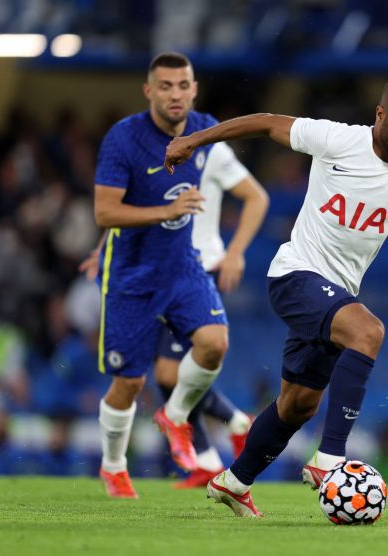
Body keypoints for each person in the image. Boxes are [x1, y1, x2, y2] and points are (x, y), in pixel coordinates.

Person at [164, 76, 388, 517]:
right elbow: (267, 123)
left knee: (297, 405)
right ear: (381, 115)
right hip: (296, 275)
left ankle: (234, 482)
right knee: (368, 331)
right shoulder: (337, 139)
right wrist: (195, 139)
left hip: (336, 295)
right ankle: (329, 460)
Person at [81, 112, 269, 490]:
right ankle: (220, 439)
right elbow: (125, 207)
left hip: (197, 268)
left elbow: (256, 196)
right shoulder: (139, 148)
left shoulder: (211, 150)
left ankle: (216, 439)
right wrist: (103, 247)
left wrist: (235, 252)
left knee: (172, 372)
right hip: (152, 269)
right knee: (154, 377)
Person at [91, 52, 241, 499]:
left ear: (193, 89)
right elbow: (104, 210)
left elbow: (252, 188)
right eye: (166, 86)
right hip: (132, 276)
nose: (175, 94)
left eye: (183, 85)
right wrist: (167, 210)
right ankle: (113, 466)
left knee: (214, 342)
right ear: (149, 91)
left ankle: (174, 416)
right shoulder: (123, 139)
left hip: (183, 267)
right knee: (131, 382)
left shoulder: (205, 128)